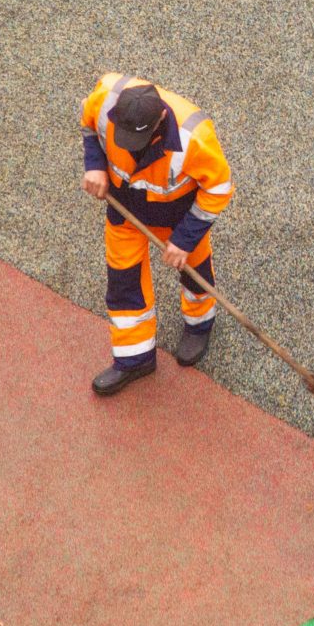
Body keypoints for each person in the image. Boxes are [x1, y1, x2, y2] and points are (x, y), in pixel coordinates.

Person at [80, 73, 234, 395]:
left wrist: (184, 240)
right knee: (124, 280)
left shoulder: (195, 137)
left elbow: (218, 188)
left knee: (195, 271)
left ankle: (199, 325)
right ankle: (134, 359)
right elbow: (88, 123)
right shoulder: (106, 97)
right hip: (125, 211)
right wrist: (94, 164)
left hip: (178, 216)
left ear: (161, 118)